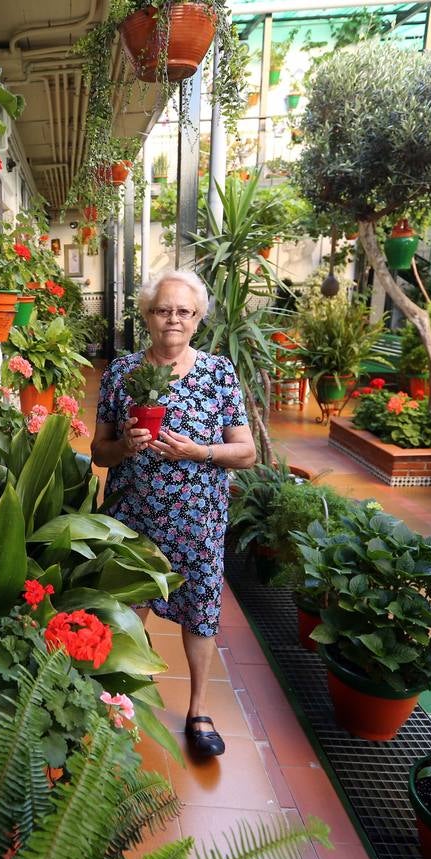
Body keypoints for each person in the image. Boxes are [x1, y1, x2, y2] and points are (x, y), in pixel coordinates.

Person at [91, 269, 257, 758]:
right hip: (133, 513)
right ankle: (118, 699)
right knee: (126, 607)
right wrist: (124, 444)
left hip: (198, 518)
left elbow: (245, 452)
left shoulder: (219, 373)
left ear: (198, 318)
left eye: (184, 311)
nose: (173, 319)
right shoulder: (121, 372)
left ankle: (198, 709)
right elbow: (99, 452)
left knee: (200, 612)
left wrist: (199, 452)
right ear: (146, 315)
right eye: (163, 310)